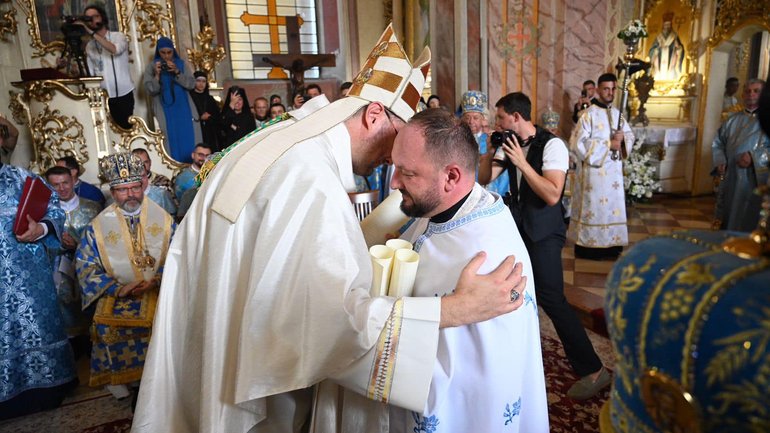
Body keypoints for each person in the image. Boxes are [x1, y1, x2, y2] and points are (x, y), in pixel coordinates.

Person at [132, 25, 526, 433]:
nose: (390, 164)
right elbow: (332, 323)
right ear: (374, 114)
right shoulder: (310, 178)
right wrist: (456, 309)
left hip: (210, 336)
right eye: (396, 144)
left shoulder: (291, 140)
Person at [386, 108, 548, 432]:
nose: (393, 182)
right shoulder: (443, 205)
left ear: (451, 177)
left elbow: (466, 378)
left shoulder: (485, 261)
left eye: (407, 173)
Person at [479, 91, 610, 400]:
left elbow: (552, 194)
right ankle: (514, 360)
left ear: (515, 117)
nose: (495, 123)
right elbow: (485, 177)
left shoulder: (553, 145)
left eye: (499, 117)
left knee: (552, 298)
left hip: (545, 231)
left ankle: (594, 369)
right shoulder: (509, 142)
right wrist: (488, 152)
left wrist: (522, 164)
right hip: (517, 228)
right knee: (513, 291)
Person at [75, 152, 175, 399]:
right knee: (105, 326)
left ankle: (166, 382)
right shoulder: (97, 228)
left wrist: (159, 277)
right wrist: (116, 289)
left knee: (165, 325)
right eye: (123, 190)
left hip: (161, 290)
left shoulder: (164, 220)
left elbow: (181, 256)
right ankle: (131, 385)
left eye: (135, 187)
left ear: (143, 185)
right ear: (112, 190)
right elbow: (85, 266)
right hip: (118, 293)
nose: (131, 194)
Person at [0, 162, 77, 420]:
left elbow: (54, 209)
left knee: (36, 328)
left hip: (29, 277)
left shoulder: (22, 177)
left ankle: (47, 388)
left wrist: (40, 230)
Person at [569, 73, 635, 260]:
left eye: (613, 89)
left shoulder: (617, 114)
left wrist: (623, 141)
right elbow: (577, 143)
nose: (610, 92)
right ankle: (589, 247)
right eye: (606, 89)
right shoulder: (588, 115)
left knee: (611, 208)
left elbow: (629, 136)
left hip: (613, 174)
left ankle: (611, 245)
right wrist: (608, 145)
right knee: (595, 208)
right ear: (598, 90)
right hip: (594, 174)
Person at [45, 165, 101, 355]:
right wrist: (59, 245)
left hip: (88, 268)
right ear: (49, 186)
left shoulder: (92, 207)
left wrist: (77, 244)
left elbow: (102, 240)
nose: (62, 188)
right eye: (56, 185)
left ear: (72, 181)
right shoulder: (45, 214)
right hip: (57, 271)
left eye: (65, 183)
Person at [712, 79, 769, 231]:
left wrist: (754, 157)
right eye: (747, 91)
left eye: (756, 91)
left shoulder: (767, 120)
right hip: (731, 177)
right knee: (729, 213)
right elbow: (718, 143)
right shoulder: (731, 120)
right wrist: (720, 160)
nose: (751, 94)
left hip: (756, 179)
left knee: (751, 215)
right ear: (742, 95)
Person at [143, 36, 201, 163]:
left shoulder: (181, 64)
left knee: (188, 137)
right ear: (158, 52)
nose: (166, 56)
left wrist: (177, 72)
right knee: (169, 139)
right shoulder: (152, 66)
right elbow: (150, 90)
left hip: (183, 108)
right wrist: (157, 75)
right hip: (165, 110)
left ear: (173, 51)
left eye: (169, 52)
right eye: (162, 52)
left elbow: (191, 84)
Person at [79, 5, 135, 130]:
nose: (93, 20)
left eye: (95, 16)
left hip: (123, 92)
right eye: (89, 18)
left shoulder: (118, 36)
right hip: (104, 96)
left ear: (102, 17)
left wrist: (92, 34)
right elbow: (91, 73)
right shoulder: (90, 46)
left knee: (126, 129)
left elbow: (114, 50)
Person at [459, 90, 509, 196]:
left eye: (476, 118)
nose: (471, 121)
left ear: (482, 120)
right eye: (467, 117)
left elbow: (501, 173)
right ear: (462, 119)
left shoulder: (491, 141)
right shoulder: (455, 141)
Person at [648, 12, 685, 81]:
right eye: (666, 25)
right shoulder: (658, 37)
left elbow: (680, 51)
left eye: (669, 25)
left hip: (671, 62)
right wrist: (655, 50)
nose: (667, 27)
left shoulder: (674, 36)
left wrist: (678, 48)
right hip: (659, 61)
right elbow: (652, 50)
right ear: (663, 26)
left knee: (671, 73)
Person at [189, 71, 221, 151]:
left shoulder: (210, 99)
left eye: (203, 81)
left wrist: (209, 117)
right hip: (196, 130)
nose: (201, 84)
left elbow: (218, 116)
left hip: (210, 132)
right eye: (198, 81)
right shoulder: (190, 98)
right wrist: (200, 118)